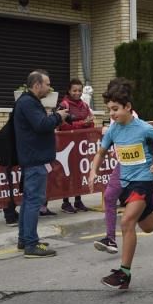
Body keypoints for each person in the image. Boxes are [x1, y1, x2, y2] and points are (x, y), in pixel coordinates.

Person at [88, 79, 153, 289]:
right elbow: (101, 153)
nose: (113, 114)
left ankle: (123, 273)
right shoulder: (113, 130)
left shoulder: (144, 128)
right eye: (110, 110)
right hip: (126, 183)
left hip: (144, 181)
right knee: (147, 225)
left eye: (116, 109)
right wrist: (93, 171)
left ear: (128, 107)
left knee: (127, 222)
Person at [15, 70, 67, 257]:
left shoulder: (29, 101)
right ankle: (31, 244)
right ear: (36, 85)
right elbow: (41, 125)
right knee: (33, 201)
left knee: (29, 200)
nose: (49, 88)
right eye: (47, 84)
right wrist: (58, 117)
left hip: (33, 158)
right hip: (34, 159)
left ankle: (25, 239)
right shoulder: (28, 103)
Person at [58, 78, 94, 213]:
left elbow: (91, 123)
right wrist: (83, 123)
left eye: (79, 90)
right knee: (66, 173)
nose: (77, 93)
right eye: (74, 90)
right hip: (66, 145)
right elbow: (63, 125)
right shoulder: (64, 105)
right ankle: (65, 202)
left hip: (81, 145)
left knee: (78, 173)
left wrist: (88, 122)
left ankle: (78, 200)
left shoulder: (85, 105)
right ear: (69, 90)